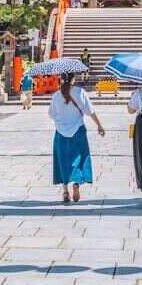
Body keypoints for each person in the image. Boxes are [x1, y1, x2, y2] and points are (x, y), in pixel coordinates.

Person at [49, 72, 105, 203]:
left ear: (61, 79)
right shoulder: (80, 92)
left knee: (62, 160)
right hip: (78, 130)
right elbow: (90, 111)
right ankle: (77, 183)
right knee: (80, 157)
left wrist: (61, 120)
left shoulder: (56, 95)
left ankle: (65, 191)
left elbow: (51, 114)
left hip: (61, 132)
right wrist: (99, 126)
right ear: (73, 79)